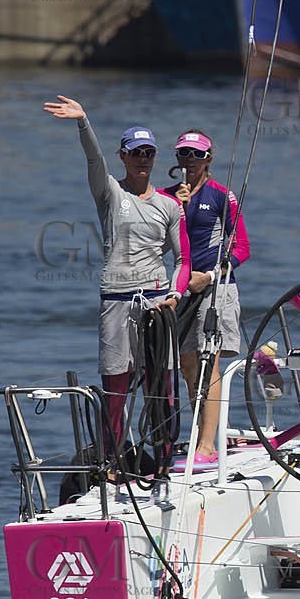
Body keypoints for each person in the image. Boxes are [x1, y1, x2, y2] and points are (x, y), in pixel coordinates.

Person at [43, 96, 189, 466]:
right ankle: (111, 463)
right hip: (116, 299)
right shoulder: (110, 192)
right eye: (136, 152)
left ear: (155, 158)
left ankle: (165, 461)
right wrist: (83, 122)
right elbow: (94, 160)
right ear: (123, 156)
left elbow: (184, 259)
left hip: (157, 302)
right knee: (116, 385)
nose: (143, 158)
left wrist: (176, 292)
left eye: (149, 152)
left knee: (162, 386)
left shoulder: (170, 206)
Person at [167, 130, 250, 467]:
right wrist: (179, 207)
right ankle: (200, 431)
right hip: (181, 289)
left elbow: (241, 246)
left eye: (196, 155)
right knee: (187, 364)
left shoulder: (221, 196)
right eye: (184, 154)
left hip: (215, 286)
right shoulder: (167, 196)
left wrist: (211, 276)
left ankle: (207, 444)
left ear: (208, 159)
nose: (190, 161)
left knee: (208, 361)